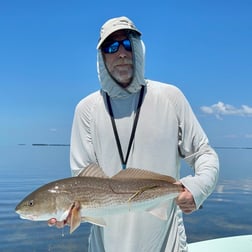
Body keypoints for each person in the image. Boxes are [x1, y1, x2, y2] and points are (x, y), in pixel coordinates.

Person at [49, 16, 219, 252]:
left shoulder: (171, 97)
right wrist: (68, 213)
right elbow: (83, 183)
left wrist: (197, 188)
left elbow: (204, 153)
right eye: (111, 47)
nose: (121, 53)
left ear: (138, 50)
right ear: (101, 57)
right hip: (105, 246)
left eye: (128, 44)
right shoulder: (86, 110)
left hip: (166, 244)